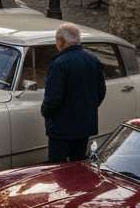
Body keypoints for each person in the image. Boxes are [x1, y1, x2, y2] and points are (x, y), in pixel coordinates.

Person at [41, 23, 107, 163]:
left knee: (57, 167)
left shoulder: (59, 64)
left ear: (61, 41)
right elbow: (101, 90)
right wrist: (89, 108)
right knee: (78, 165)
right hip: (84, 126)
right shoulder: (92, 60)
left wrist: (45, 113)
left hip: (62, 129)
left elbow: (53, 99)